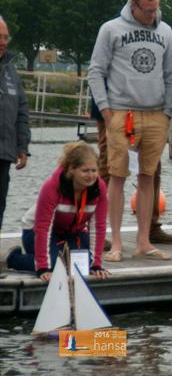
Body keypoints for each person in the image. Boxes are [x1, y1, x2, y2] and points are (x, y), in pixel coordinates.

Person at [87, 0, 172, 262]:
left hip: (155, 113)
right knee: (117, 176)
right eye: (146, 10)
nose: (152, 15)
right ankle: (114, 243)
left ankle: (143, 241)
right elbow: (96, 71)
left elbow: (168, 74)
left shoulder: (165, 31)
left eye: (155, 10)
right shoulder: (110, 29)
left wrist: (166, 112)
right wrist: (106, 110)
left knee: (148, 176)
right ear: (133, 4)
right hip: (120, 112)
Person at [6, 142, 110, 281]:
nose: (91, 176)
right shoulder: (52, 186)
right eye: (85, 171)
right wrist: (43, 267)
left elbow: (99, 227)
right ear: (72, 170)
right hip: (35, 231)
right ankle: (14, 258)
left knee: (83, 264)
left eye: (94, 170)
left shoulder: (99, 187)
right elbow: (43, 228)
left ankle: (53, 255)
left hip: (70, 232)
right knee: (57, 265)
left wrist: (96, 265)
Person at [91, 96, 172, 248]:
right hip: (113, 105)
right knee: (108, 166)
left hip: (147, 108)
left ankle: (151, 226)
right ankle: (94, 231)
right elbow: (97, 74)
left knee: (151, 166)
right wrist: (105, 110)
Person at [0, 15, 30, 252]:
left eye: (5, 37)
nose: (3, 42)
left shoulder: (11, 71)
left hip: (5, 152)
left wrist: (22, 146)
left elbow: (21, 110)